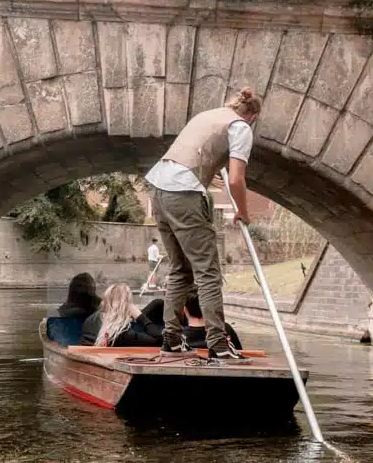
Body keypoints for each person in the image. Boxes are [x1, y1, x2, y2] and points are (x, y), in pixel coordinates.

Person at [145, 86, 261, 364]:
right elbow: (236, 179)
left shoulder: (209, 115)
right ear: (253, 116)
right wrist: (243, 213)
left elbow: (188, 158)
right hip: (182, 194)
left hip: (157, 189)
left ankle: (171, 340)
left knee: (180, 269)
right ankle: (219, 345)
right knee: (207, 271)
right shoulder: (241, 128)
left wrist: (205, 178)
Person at [81, 282, 163, 347]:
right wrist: (140, 316)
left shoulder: (90, 321)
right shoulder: (124, 334)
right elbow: (160, 340)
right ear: (127, 305)